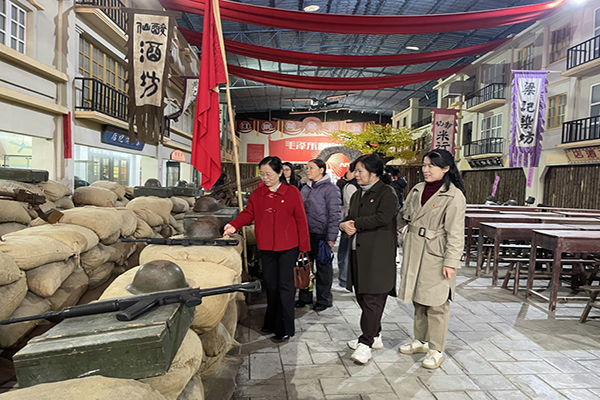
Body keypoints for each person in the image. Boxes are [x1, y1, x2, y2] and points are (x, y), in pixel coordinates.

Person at [223, 156, 310, 341]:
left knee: (285, 286)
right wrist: (233, 225)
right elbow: (248, 213)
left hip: (288, 247)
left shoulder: (292, 192)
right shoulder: (258, 194)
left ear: (279, 173)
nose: (265, 178)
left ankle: (284, 327)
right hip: (266, 246)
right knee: (271, 285)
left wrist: (304, 247)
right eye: (262, 174)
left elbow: (301, 220)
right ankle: (270, 320)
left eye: (268, 174)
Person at [397, 149, 466, 369]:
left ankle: (436, 349)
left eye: (431, 166)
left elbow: (456, 233)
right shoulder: (417, 189)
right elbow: (403, 216)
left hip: (436, 254)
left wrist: (451, 262)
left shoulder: (454, 196)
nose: (425, 170)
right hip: (413, 250)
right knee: (419, 298)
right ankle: (421, 340)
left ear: (445, 168)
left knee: (437, 303)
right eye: (424, 165)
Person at [339, 154, 398, 364]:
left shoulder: (387, 193)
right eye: (355, 170)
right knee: (362, 296)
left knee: (373, 298)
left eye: (360, 171)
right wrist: (343, 225)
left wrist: (356, 224)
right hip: (358, 252)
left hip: (377, 255)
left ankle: (365, 343)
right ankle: (375, 335)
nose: (356, 174)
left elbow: (383, 217)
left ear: (374, 173)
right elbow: (350, 218)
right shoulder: (357, 194)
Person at [297, 159, 341, 312]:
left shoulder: (331, 189)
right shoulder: (305, 188)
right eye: (307, 167)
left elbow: (335, 215)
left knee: (323, 269)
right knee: (304, 267)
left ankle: (324, 299)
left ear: (321, 170)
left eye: (311, 168)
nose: (308, 170)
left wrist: (331, 237)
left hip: (322, 234)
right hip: (305, 234)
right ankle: (304, 297)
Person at [333, 162, 360, 292]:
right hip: (356, 224)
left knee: (344, 254)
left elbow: (350, 206)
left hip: (348, 223)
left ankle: (344, 281)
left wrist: (346, 222)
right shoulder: (361, 186)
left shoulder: (350, 186)